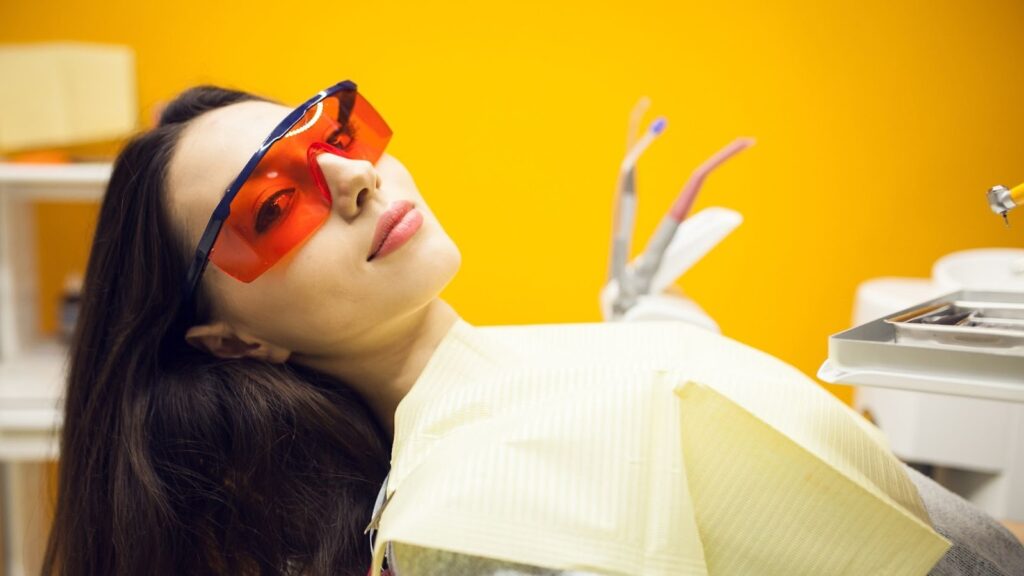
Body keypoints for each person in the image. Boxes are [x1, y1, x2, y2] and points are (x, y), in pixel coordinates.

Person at [43, 81, 1023, 576]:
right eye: (270, 207)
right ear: (234, 342)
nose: (353, 178)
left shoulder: (550, 363)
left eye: (335, 134)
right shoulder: (463, 525)